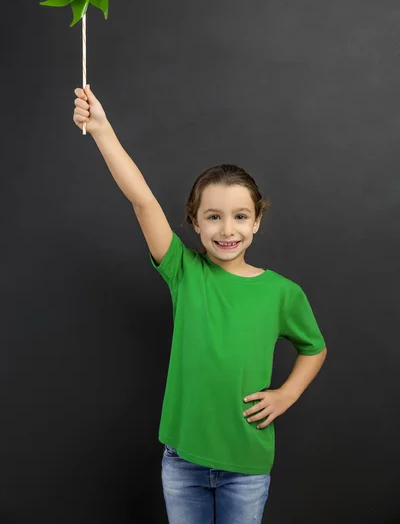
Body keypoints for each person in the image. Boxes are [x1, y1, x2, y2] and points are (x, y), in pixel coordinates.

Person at [73, 85, 328, 524]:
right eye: (213, 216)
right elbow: (142, 200)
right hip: (183, 462)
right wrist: (101, 130)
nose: (227, 228)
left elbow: (314, 348)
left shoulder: (283, 292)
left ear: (257, 221)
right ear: (194, 222)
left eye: (240, 216)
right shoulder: (184, 272)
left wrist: (287, 394)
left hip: (246, 466)